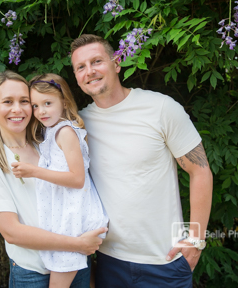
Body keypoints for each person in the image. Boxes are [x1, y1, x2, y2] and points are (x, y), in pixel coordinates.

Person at [70, 34, 213, 287]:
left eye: (96, 61)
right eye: (81, 67)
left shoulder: (160, 108)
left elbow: (200, 171)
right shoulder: (77, 126)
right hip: (107, 261)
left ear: (117, 63)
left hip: (165, 261)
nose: (89, 71)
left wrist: (196, 238)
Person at [0, 70, 108, 288]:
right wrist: (77, 244)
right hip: (34, 271)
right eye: (8, 101)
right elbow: (12, 232)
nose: (17, 109)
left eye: (24, 101)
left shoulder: (46, 143)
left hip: (75, 262)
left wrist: (80, 248)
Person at [10, 73, 109, 288]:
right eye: (35, 106)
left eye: (47, 103)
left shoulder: (65, 132)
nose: (41, 111)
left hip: (73, 219)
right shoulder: (51, 130)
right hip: (65, 217)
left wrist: (34, 172)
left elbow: (77, 179)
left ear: (64, 101)